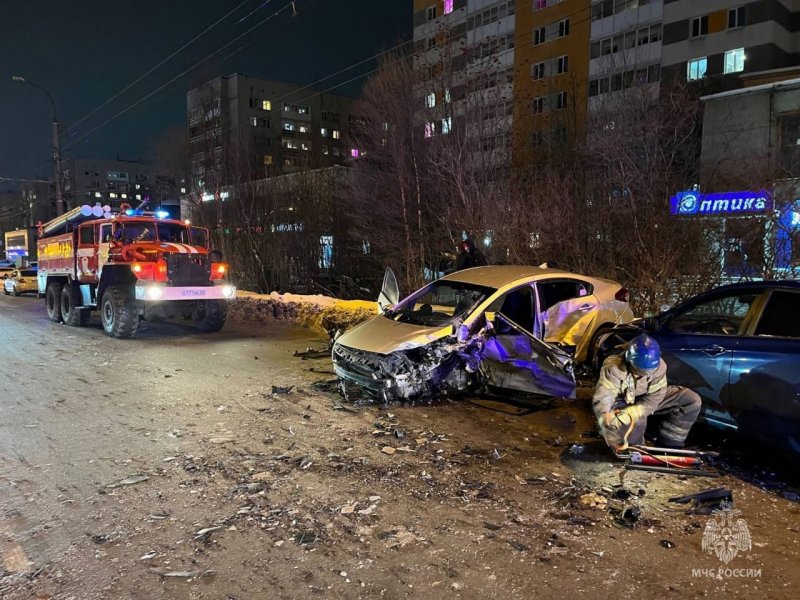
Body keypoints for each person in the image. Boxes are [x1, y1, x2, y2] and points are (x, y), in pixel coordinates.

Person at [592, 334, 701, 451]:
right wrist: (606, 419)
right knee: (634, 434)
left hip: (646, 399)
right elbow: (604, 396)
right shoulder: (614, 367)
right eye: (640, 371)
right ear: (629, 360)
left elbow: (656, 396)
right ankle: (637, 450)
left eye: (650, 371)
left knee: (691, 400)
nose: (646, 374)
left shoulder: (660, 366)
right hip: (621, 401)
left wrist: (638, 410)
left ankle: (670, 446)